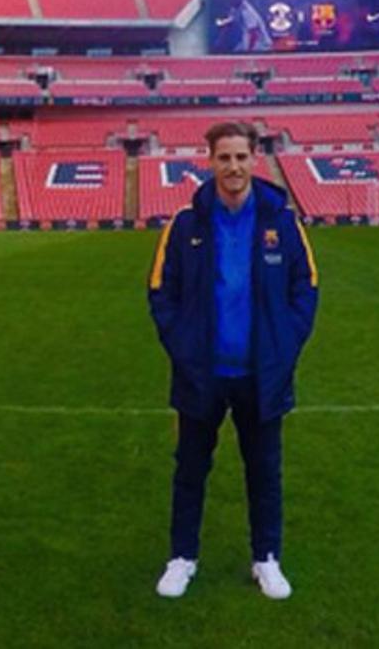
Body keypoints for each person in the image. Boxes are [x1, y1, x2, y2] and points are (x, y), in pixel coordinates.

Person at [148, 121, 319, 599]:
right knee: (189, 470)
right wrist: (183, 350)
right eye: (224, 157)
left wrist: (284, 350)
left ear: (254, 159)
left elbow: (306, 289)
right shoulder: (186, 224)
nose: (233, 167)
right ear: (210, 161)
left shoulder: (281, 223)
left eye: (241, 157)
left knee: (264, 472)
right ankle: (182, 557)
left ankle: (266, 558)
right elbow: (161, 291)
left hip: (260, 377)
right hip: (202, 375)